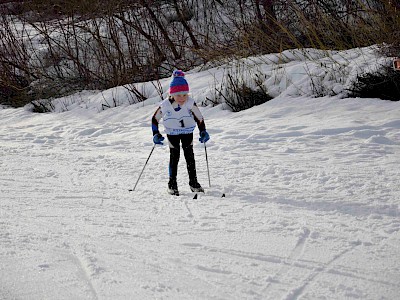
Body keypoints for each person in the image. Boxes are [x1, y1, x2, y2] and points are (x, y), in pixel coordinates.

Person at [151, 70, 210, 196]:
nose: (182, 98)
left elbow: (199, 118)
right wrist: (155, 134)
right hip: (172, 133)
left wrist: (203, 131)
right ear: (172, 94)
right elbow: (155, 119)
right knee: (175, 156)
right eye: (178, 95)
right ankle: (172, 184)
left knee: (190, 156)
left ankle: (193, 183)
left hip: (187, 132)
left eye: (185, 94)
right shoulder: (166, 104)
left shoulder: (190, 102)